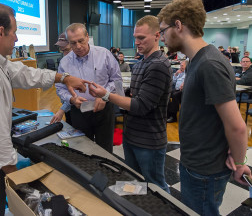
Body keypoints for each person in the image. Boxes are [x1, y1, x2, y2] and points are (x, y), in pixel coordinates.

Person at [0, 3, 88, 216]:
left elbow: (23, 74)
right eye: (14, 32)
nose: (16, 38)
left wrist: (63, 77)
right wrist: (20, 182)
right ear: (0, 32)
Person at [158, 0, 251, 216]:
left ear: (178, 25)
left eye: (163, 31)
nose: (161, 37)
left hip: (205, 168)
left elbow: (237, 126)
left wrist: (239, 162)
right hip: (197, 161)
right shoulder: (197, 60)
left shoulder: (209, 64)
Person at [89, 15, 172, 192]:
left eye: (141, 38)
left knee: (156, 187)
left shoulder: (158, 65)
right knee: (136, 184)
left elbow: (141, 105)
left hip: (149, 140)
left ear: (157, 36)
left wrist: (106, 95)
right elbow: (135, 96)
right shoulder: (142, 62)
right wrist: (126, 94)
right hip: (133, 135)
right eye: (135, 37)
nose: (137, 42)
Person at [56, 23, 122, 153]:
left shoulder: (104, 54)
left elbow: (117, 80)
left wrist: (105, 95)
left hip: (104, 109)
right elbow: (60, 89)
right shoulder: (64, 62)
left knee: (105, 150)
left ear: (87, 37)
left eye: (81, 41)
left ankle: (105, 172)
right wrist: (71, 99)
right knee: (83, 149)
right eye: (73, 43)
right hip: (79, 111)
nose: (78, 46)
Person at [51, 33, 73, 125]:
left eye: (66, 50)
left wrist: (62, 109)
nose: (64, 54)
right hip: (68, 106)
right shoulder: (63, 62)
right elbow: (60, 86)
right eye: (62, 50)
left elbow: (75, 92)